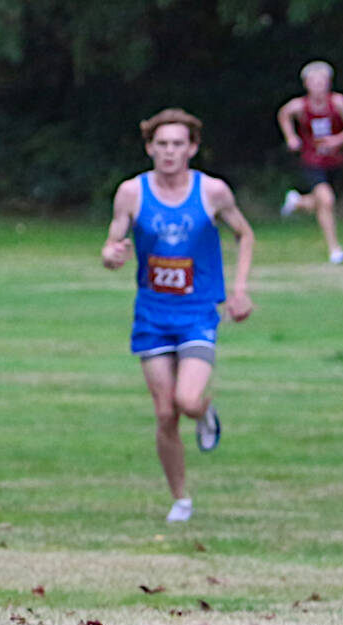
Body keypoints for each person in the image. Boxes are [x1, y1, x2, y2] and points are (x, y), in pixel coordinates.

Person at [101, 108, 254, 524]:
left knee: (185, 401)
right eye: (161, 144)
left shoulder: (212, 192)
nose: (169, 152)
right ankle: (180, 499)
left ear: (192, 148)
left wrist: (239, 291)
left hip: (197, 312)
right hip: (152, 315)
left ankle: (204, 412)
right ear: (150, 148)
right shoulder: (132, 193)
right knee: (164, 413)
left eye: (177, 144)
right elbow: (113, 242)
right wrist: (111, 255)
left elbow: (244, 233)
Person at [277, 60, 343, 264]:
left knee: (323, 202)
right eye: (313, 81)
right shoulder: (299, 105)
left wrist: (337, 140)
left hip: (334, 160)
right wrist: (291, 137)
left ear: (329, 82)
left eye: (322, 81)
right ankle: (335, 249)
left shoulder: (339, 102)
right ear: (306, 84)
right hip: (311, 160)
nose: (318, 85)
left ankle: (298, 202)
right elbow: (283, 114)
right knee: (327, 200)